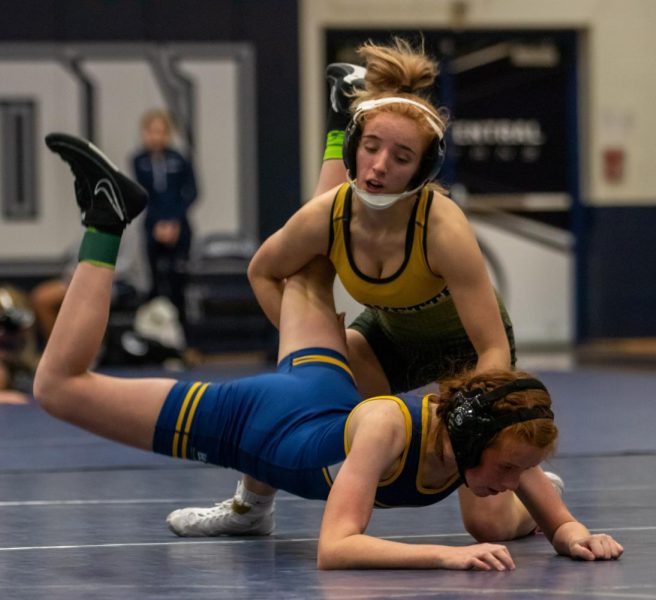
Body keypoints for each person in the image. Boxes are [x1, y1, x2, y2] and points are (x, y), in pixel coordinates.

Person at [36, 133, 623, 569]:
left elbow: (517, 465)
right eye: (514, 470)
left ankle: (339, 126)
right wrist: (443, 557)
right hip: (255, 422)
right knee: (58, 387)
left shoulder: (481, 438)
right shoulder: (384, 427)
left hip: (318, 394)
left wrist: (569, 531)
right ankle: (107, 221)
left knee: (311, 272)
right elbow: (335, 548)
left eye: (525, 472)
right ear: (472, 441)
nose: (523, 479)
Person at [167, 37, 553, 537]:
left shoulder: (442, 228)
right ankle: (251, 508)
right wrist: (304, 349)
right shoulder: (329, 213)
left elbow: (492, 346)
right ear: (353, 147)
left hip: (468, 355)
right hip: (391, 338)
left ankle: (530, 487)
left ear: (423, 168)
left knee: (489, 527)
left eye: (400, 157)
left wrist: (472, 418)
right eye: (371, 148)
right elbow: (263, 271)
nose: (378, 167)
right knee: (293, 394)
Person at [131, 109, 198, 327]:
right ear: (144, 134)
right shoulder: (138, 160)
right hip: (153, 226)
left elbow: (192, 192)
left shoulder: (179, 159)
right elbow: (143, 194)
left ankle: (183, 335)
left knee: (178, 280)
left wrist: (174, 221)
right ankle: (156, 334)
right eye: (151, 132)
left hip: (179, 227)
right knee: (155, 281)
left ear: (168, 134)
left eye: (161, 132)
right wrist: (158, 223)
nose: (156, 137)